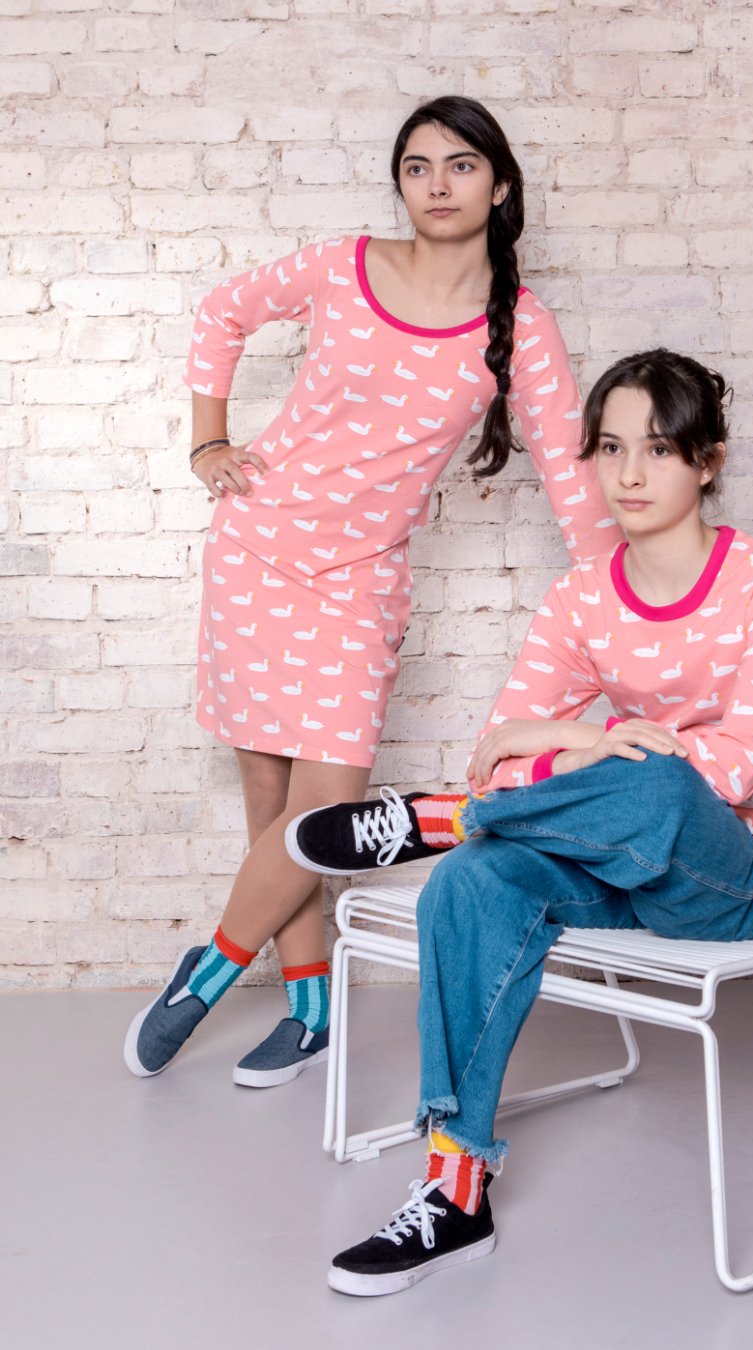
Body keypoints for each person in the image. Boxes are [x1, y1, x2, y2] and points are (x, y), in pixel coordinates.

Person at [289, 348, 753, 1296]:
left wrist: (575, 751)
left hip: (734, 878)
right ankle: (455, 1191)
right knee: (471, 880)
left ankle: (449, 820)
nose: (629, 474)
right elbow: (498, 746)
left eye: (658, 449)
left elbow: (735, 772)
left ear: (708, 461)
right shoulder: (582, 597)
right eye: (610, 448)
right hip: (618, 867)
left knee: (663, 786)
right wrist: (584, 736)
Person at [123, 96, 621, 1089]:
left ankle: (208, 971)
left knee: (327, 813)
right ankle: (310, 1008)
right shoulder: (341, 267)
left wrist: (627, 600)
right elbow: (223, 311)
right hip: (258, 550)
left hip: (360, 582)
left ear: (500, 186)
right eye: (417, 167)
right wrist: (208, 441)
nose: (438, 185)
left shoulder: (521, 327)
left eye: (462, 165)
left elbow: (572, 477)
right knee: (270, 804)